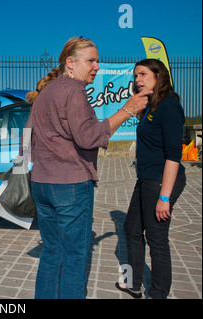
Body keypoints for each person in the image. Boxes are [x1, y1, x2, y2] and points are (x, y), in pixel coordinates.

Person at [25, 37, 151, 299]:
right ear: (70, 64)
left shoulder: (44, 92)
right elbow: (88, 137)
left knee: (51, 252)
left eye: (97, 61)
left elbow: (26, 138)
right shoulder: (74, 90)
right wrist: (127, 110)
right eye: (91, 60)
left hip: (41, 184)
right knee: (74, 258)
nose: (97, 66)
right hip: (70, 185)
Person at [115, 59, 186, 299]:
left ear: (159, 76)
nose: (138, 80)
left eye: (143, 74)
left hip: (160, 181)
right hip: (146, 179)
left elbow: (174, 156)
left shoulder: (169, 106)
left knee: (156, 238)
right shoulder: (151, 107)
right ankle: (134, 282)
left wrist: (164, 197)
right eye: (135, 76)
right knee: (131, 228)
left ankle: (158, 294)